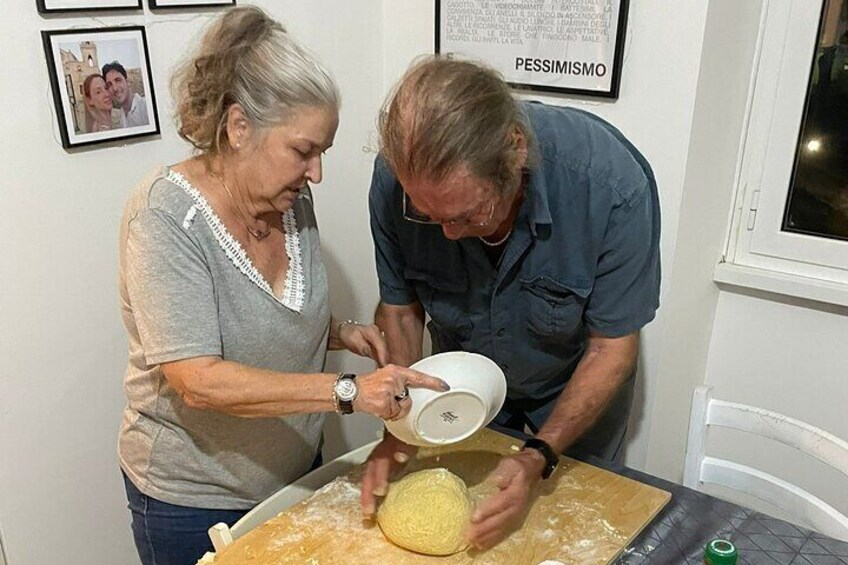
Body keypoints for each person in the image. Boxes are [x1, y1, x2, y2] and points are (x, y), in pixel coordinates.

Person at [117, 8, 446, 565]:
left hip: (297, 469)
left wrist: (343, 333)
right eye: (303, 151)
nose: (316, 173)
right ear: (239, 127)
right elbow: (199, 380)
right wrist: (349, 392)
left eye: (323, 152)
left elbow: (266, 310)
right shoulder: (164, 220)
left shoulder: (290, 201)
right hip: (194, 502)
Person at [362, 57, 661, 550]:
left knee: (571, 539)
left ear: (514, 154)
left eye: (466, 215)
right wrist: (400, 425)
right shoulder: (395, 182)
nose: (449, 234)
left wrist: (538, 453)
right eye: (429, 217)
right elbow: (400, 310)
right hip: (460, 384)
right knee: (470, 532)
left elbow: (611, 349)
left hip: (569, 389)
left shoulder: (610, 186)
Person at [102, 60, 149, 128]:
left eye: (118, 80)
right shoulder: (121, 117)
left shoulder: (146, 107)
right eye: (109, 84)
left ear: (127, 82)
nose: (115, 88)